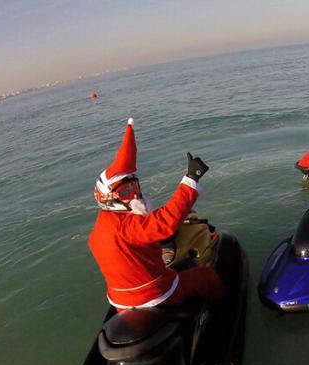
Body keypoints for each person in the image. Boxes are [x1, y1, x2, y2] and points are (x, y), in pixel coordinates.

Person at [88, 118, 223, 310]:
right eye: (127, 192)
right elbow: (165, 224)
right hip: (155, 294)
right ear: (111, 198)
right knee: (205, 277)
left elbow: (139, 237)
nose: (135, 195)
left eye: (135, 187)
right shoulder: (128, 226)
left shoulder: (101, 227)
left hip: (120, 301)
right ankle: (222, 309)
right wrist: (191, 179)